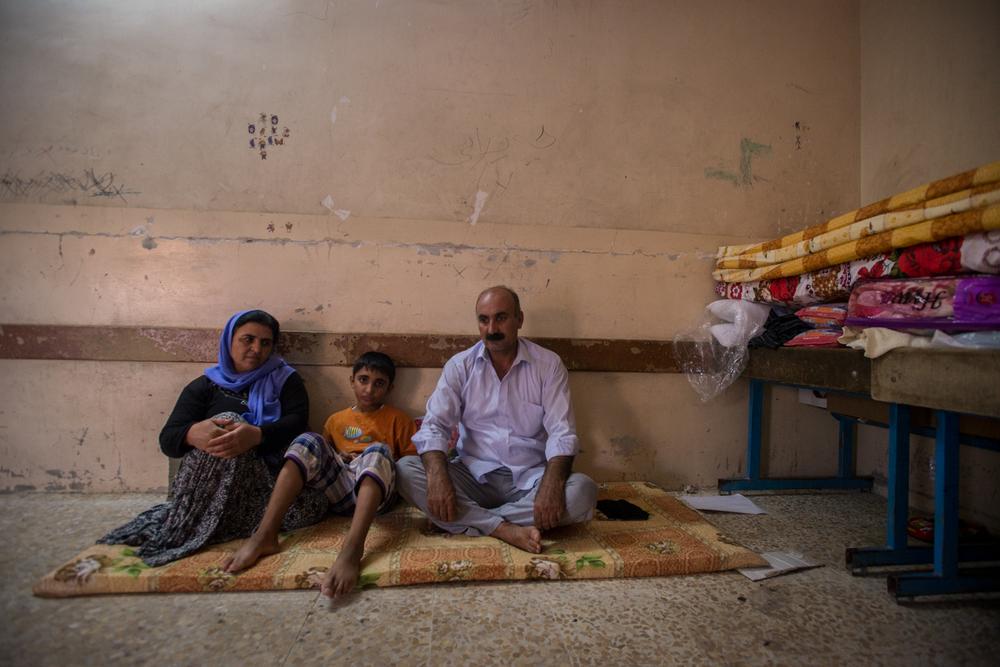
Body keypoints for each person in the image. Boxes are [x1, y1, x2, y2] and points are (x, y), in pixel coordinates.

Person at [99, 310, 328, 566]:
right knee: (227, 420)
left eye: (265, 343)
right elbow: (168, 439)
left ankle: (214, 518)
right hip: (214, 484)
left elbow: (297, 423)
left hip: (263, 481)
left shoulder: (285, 380)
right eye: (248, 339)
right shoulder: (205, 386)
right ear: (229, 340)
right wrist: (191, 434)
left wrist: (257, 435)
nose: (256, 349)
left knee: (313, 507)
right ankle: (204, 521)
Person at [396, 286, 597, 554]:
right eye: (484, 319)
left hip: (529, 479)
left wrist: (552, 484)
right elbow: (434, 426)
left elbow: (562, 433)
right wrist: (437, 478)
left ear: (519, 319)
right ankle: (504, 528)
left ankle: (466, 520)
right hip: (472, 477)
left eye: (501, 318)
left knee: (582, 491)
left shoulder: (548, 365)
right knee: (405, 470)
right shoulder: (460, 366)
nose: (492, 329)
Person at [224, 351, 417, 598]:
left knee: (378, 450)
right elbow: (321, 459)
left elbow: (409, 464)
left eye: (379, 383)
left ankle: (352, 550)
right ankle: (265, 534)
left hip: (377, 493)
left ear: (390, 388)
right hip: (341, 489)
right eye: (363, 380)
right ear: (352, 381)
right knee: (308, 440)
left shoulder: (398, 419)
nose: (369, 389)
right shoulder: (336, 420)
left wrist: (371, 458)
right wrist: (340, 457)